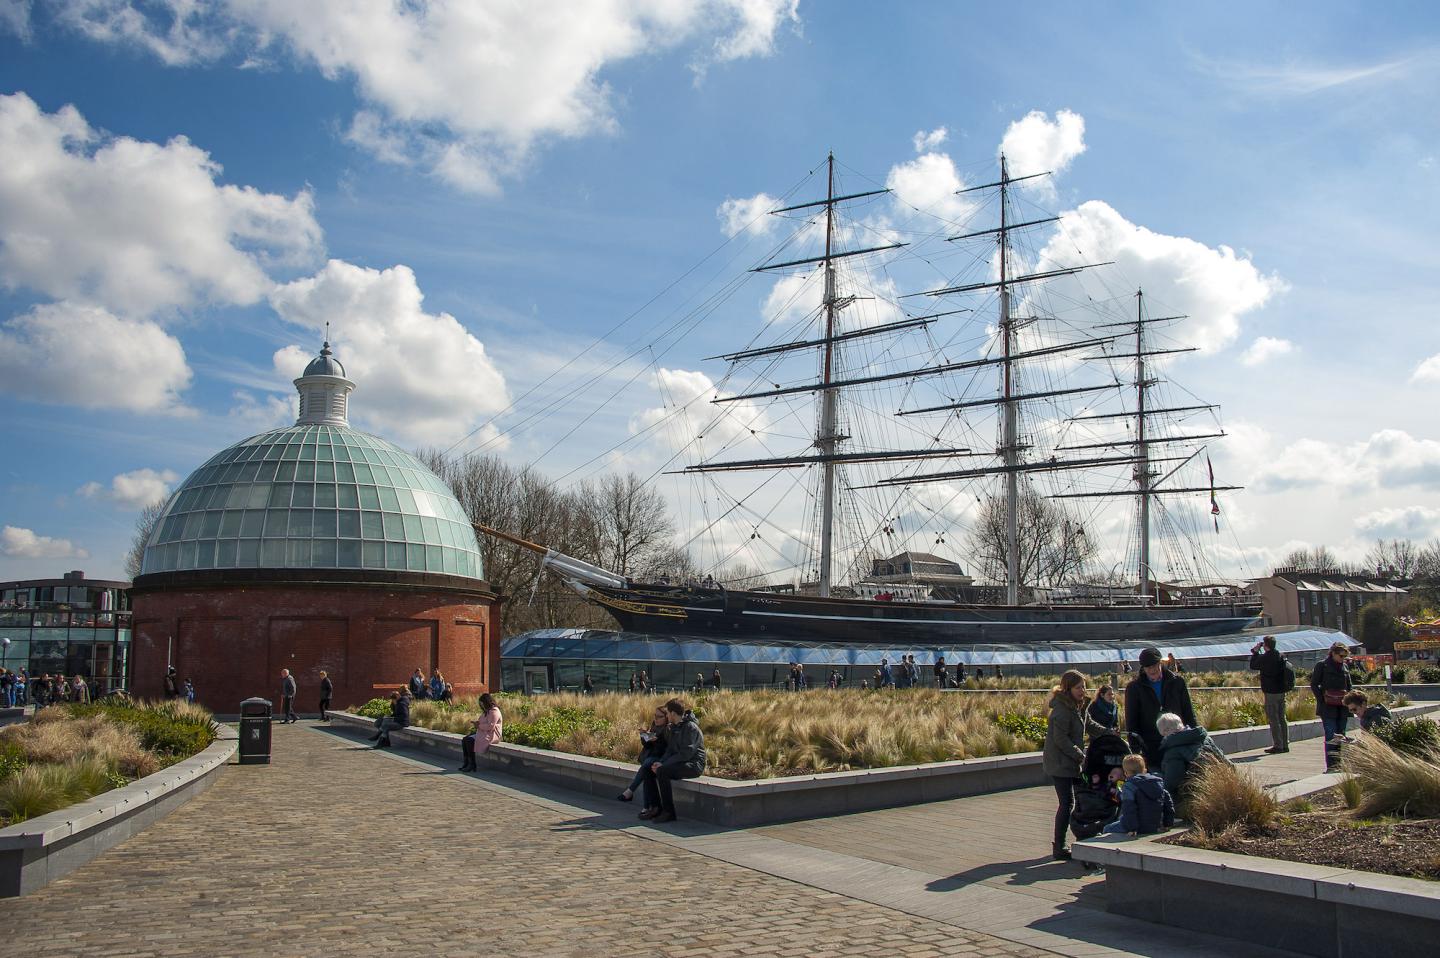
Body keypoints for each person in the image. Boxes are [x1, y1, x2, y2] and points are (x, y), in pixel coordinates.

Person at [1042, 669, 1109, 861]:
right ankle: (1059, 845)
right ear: (1067, 688)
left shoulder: (1078, 706)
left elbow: (1090, 725)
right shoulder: (1062, 710)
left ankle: (1083, 834)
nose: (1082, 691)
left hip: (1072, 761)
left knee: (1082, 798)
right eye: (1078, 687)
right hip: (1060, 763)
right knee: (1067, 803)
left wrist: (1108, 733)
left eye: (1084, 687)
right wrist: (1080, 756)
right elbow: (1060, 739)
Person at [1124, 647, 1197, 767]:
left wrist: (1194, 736)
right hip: (1150, 745)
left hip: (1178, 741)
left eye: (1154, 666)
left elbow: (1188, 711)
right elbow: (1131, 721)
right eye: (1147, 667)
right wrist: (1136, 750)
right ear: (1143, 668)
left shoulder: (1177, 682)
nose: (1152, 670)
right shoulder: (1134, 688)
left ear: (1160, 663)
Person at [638, 697, 707, 823]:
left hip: (694, 764)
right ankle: (656, 807)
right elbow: (670, 750)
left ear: (673, 714)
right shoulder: (673, 728)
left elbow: (685, 754)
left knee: (662, 772)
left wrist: (663, 766)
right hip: (680, 762)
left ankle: (669, 812)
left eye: (668, 713)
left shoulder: (690, 728)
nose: (667, 715)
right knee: (649, 769)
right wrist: (661, 762)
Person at [1156, 712, 1227, 799]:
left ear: (1166, 731)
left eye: (1163, 734)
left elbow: (1173, 782)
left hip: (1196, 794)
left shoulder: (1173, 751)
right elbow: (1222, 759)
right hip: (1221, 785)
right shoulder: (1203, 737)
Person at [1102, 755, 1175, 835]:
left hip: (1138, 827)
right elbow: (1168, 805)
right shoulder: (1157, 783)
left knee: (1107, 828)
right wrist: (1168, 823)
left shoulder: (1129, 786)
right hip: (1155, 824)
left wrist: (1132, 828)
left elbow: (1129, 808)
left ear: (1126, 773)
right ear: (1145, 770)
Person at [1310, 642, 1353, 770]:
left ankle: (1339, 764)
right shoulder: (1322, 665)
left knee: (1341, 735)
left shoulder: (1344, 667)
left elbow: (1349, 686)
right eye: (1341, 656)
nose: (1342, 659)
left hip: (1342, 707)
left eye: (1345, 656)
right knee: (1331, 735)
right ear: (1333, 653)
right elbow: (1314, 684)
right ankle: (1332, 766)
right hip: (1328, 708)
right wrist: (1322, 699)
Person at [1249, 635, 1293, 753]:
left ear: (1266, 645)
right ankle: (1285, 744)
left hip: (1271, 692)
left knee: (1273, 718)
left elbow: (1253, 665)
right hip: (1281, 690)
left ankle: (1278, 745)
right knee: (1282, 718)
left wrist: (1255, 652)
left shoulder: (1266, 657)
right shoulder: (1280, 656)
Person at [618, 706, 670, 805]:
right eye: (655, 716)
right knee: (646, 769)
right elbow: (647, 745)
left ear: (666, 717)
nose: (656, 719)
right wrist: (644, 735)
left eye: (659, 717)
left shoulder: (668, 728)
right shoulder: (655, 725)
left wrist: (658, 741)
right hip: (652, 755)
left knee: (647, 764)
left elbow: (667, 749)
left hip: (662, 758)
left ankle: (630, 791)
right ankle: (646, 807)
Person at [458, 693, 503, 771]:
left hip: (492, 735)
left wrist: (478, 726)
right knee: (465, 739)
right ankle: (467, 763)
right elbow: (483, 722)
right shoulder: (487, 711)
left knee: (469, 741)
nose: (481, 706)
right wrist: (477, 723)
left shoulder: (494, 711)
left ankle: (472, 765)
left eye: (482, 704)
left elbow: (490, 726)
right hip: (485, 732)